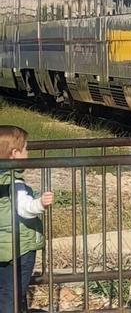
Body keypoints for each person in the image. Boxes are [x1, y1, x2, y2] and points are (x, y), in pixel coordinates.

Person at [0, 126, 54, 313]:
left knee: (6, 290)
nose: (28, 153)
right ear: (14, 154)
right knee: (13, 292)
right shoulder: (15, 183)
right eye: (26, 149)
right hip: (20, 248)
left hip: (3, 248)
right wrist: (41, 203)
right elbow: (24, 208)